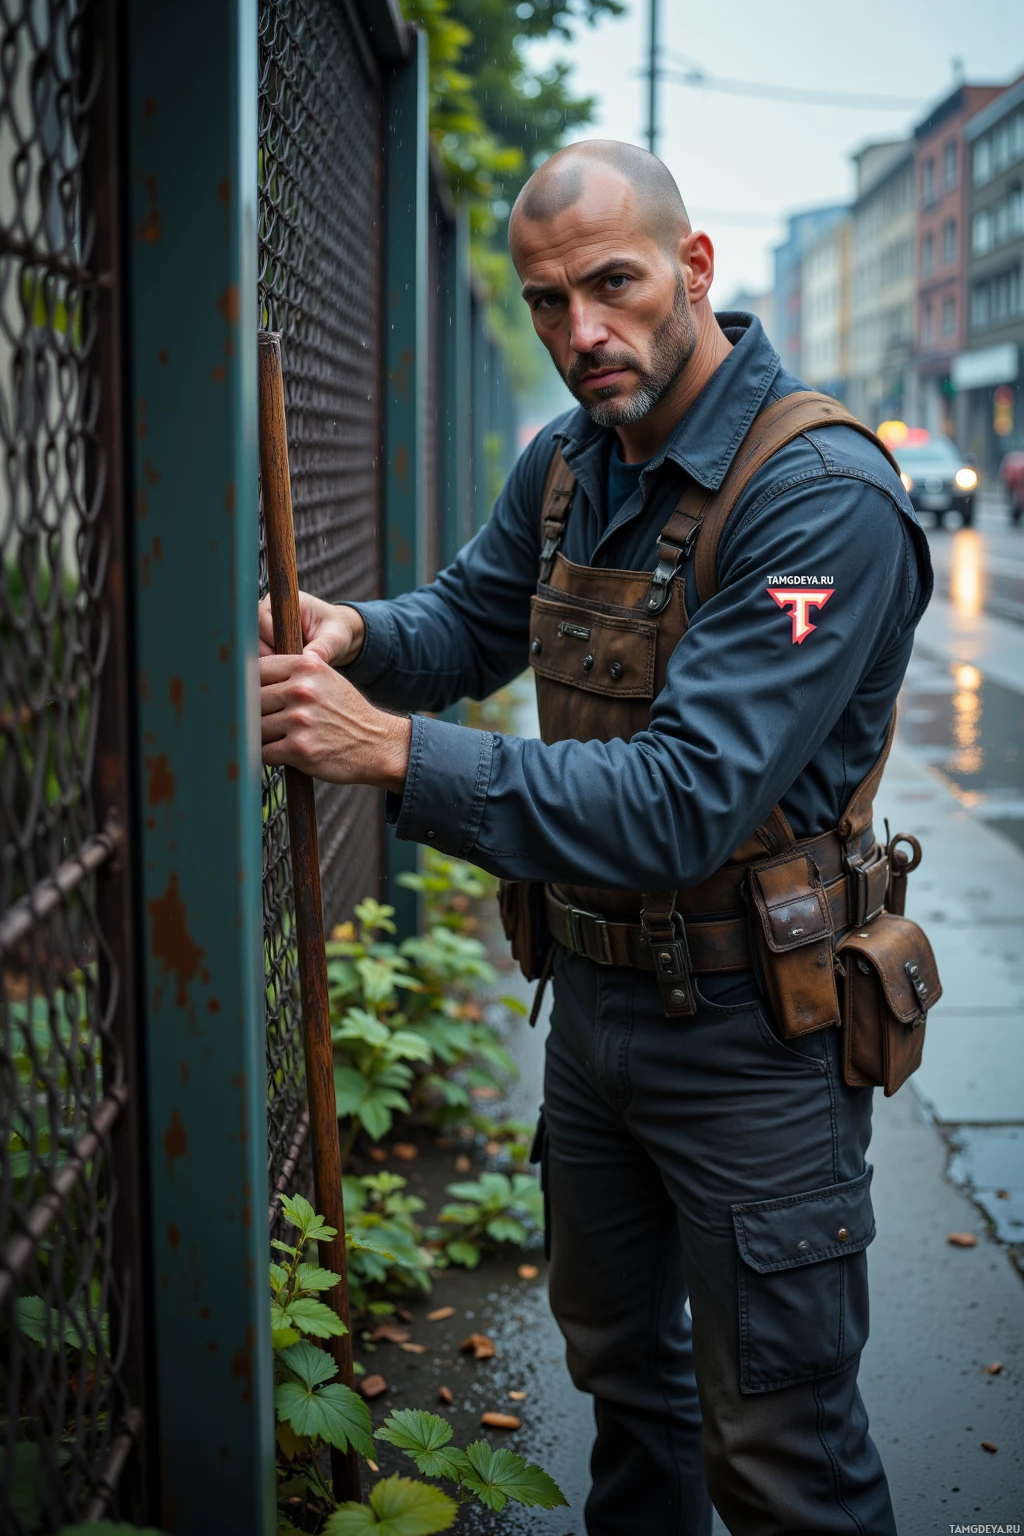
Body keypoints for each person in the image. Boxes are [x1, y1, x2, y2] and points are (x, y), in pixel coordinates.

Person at [259, 140, 931, 1535]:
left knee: (783, 1453)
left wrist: (390, 751)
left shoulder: (814, 500)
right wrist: (359, 638)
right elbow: (467, 620)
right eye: (549, 301)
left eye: (613, 287)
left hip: (756, 1029)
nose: (582, 333)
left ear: (693, 268)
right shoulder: (573, 462)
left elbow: (686, 799)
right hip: (595, 1010)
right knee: (630, 1393)